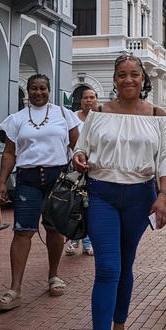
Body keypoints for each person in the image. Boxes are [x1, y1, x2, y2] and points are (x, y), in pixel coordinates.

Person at [72, 54, 166, 330]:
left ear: (143, 78)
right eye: (121, 74)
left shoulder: (158, 116)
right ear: (114, 79)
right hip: (101, 193)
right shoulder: (99, 112)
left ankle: (119, 325)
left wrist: (163, 196)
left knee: (125, 264)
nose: (128, 79)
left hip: (140, 196)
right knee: (107, 268)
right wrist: (79, 157)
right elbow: (81, 149)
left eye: (134, 74)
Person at [0, 74, 81, 311]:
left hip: (58, 180)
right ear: (28, 92)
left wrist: (86, 170)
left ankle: (54, 276)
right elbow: (9, 152)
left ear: (49, 90)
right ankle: (15, 288)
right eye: (33, 88)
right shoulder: (17, 119)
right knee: (22, 232)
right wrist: (2, 182)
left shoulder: (64, 115)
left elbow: (78, 146)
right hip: (27, 181)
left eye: (42, 88)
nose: (38, 92)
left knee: (54, 229)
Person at [65, 88, 98, 256]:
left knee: (89, 206)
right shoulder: (73, 117)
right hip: (75, 170)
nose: (88, 100)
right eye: (85, 97)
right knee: (74, 205)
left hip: (94, 170)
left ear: (96, 100)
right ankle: (73, 239)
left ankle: (86, 242)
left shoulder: (101, 117)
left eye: (92, 97)